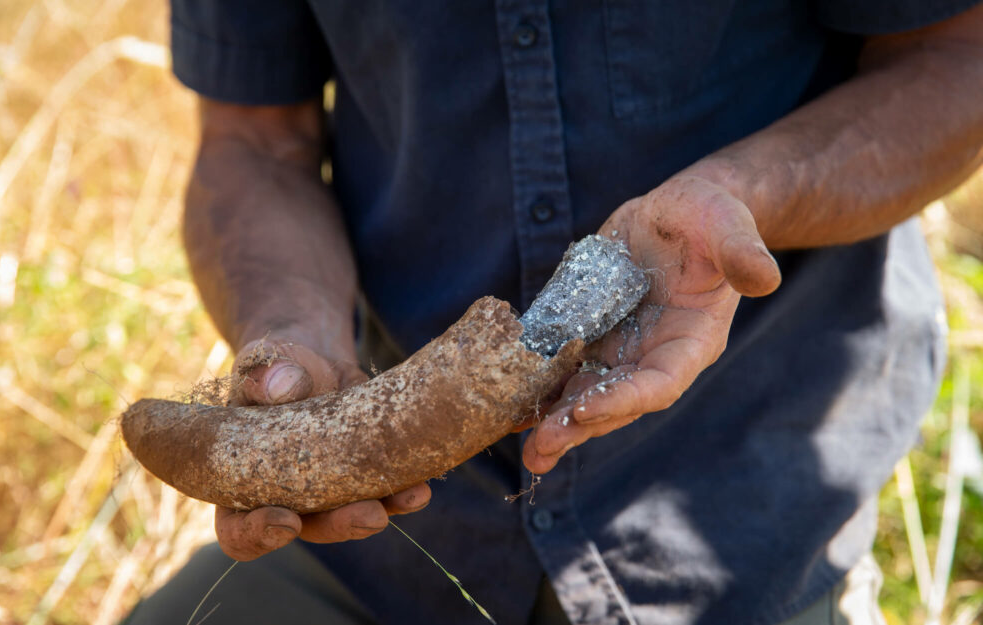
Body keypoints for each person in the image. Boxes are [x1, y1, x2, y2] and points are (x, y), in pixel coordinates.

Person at [124, 2, 983, 624]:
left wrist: (745, 194)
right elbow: (254, 140)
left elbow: (955, 58)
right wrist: (298, 338)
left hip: (741, 510)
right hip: (386, 553)